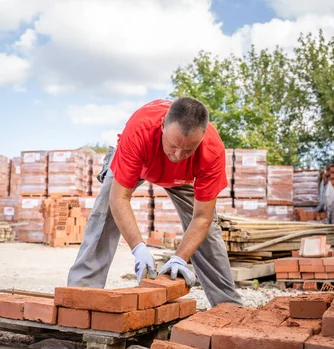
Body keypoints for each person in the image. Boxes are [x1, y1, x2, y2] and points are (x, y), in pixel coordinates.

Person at [67, 97, 243, 307]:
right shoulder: (140, 131)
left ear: (202, 137)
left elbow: (202, 217)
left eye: (188, 150)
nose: (178, 155)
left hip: (182, 178)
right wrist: (138, 248)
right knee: (105, 211)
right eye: (173, 145)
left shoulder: (211, 151)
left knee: (208, 233)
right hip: (141, 162)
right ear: (162, 127)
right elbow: (119, 198)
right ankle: (81, 296)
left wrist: (180, 258)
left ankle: (228, 306)